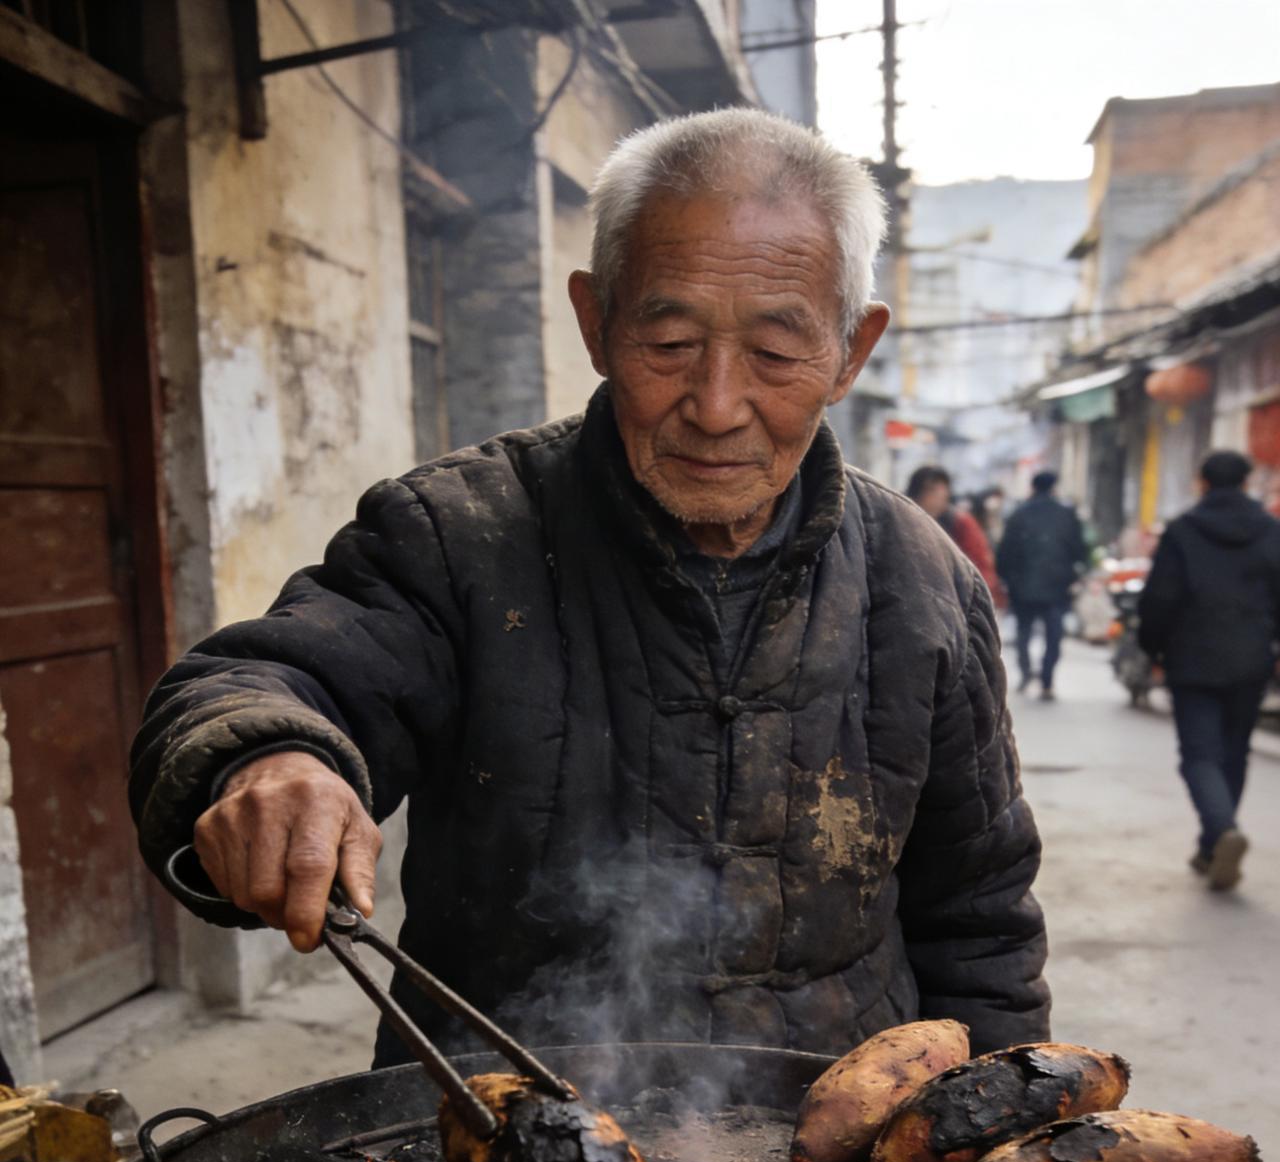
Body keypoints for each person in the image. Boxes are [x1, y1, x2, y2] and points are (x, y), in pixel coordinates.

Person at [130, 109, 1049, 1063]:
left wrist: (996, 1127)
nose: (718, 404)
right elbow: (258, 682)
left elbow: (980, 918)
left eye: (777, 353)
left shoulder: (923, 578)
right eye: (669, 342)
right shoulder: (456, 535)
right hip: (500, 1132)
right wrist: (271, 761)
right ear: (595, 322)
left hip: (824, 1141)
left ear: (851, 353)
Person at [1138, 449, 1280, 891]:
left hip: (1192, 657)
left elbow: (1161, 597)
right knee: (1234, 751)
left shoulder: (1183, 531)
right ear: (1246, 482)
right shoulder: (1271, 531)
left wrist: (1152, 647)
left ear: (1202, 482)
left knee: (1200, 755)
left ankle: (1221, 832)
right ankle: (1211, 845)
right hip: (1251, 658)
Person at [996, 470, 1088, 700]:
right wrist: (1074, 575)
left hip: (1023, 586)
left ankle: (1026, 672)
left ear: (1033, 487)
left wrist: (1007, 579)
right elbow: (1079, 550)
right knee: (1053, 633)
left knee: (1024, 630)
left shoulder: (1018, 514)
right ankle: (1047, 680)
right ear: (1054, 487)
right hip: (1057, 586)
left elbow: (1005, 551)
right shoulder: (1067, 515)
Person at [905, 465, 1000, 604]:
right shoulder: (902, 519)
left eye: (941, 492)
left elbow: (979, 565)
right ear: (917, 492)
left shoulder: (960, 523)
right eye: (931, 491)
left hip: (951, 601)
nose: (936, 498)